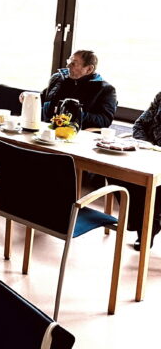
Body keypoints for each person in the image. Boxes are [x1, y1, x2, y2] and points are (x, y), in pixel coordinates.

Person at [111, 92, 161, 251]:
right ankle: (142, 223)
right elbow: (139, 124)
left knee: (152, 182)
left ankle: (146, 227)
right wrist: (148, 146)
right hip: (150, 153)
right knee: (115, 170)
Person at [40, 50, 116, 129]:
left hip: (77, 132)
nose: (68, 66)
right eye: (69, 61)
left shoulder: (105, 89)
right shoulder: (58, 78)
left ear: (89, 69)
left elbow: (104, 121)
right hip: (45, 129)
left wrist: (71, 114)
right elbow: (40, 101)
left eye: (73, 64)